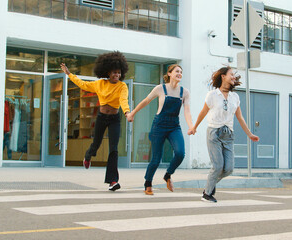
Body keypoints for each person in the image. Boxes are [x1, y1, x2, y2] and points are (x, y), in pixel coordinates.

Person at [60, 51, 130, 192]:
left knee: (114, 149)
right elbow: (83, 85)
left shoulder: (122, 86)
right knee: (96, 143)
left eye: (119, 73)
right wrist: (69, 74)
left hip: (115, 119)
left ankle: (113, 180)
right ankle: (88, 156)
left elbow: (123, 100)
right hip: (102, 117)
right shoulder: (100, 84)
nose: (117, 75)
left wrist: (127, 112)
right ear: (108, 73)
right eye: (114, 73)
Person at [188, 66, 259, 202]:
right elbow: (203, 112)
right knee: (218, 166)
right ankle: (207, 194)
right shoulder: (212, 95)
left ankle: (210, 185)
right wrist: (194, 127)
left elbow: (240, 117)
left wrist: (249, 134)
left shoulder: (235, 97)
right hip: (214, 133)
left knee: (229, 169)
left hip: (229, 134)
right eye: (231, 74)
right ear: (223, 76)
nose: (233, 77)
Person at [127, 64, 193, 195]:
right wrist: (132, 113)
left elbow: (187, 111)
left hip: (174, 125)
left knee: (180, 153)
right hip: (159, 125)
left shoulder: (184, 92)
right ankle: (148, 182)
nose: (179, 74)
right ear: (169, 74)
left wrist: (191, 126)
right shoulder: (160, 89)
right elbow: (146, 101)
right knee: (156, 158)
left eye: (181, 72)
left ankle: (168, 175)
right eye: (177, 71)